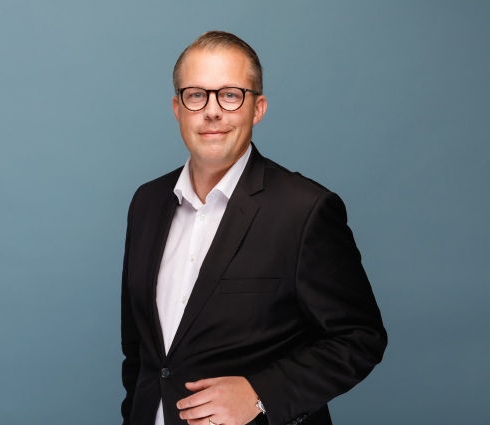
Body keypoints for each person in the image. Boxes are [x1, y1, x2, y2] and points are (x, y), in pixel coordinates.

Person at [121, 30, 387, 425]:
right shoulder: (147, 202)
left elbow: (359, 337)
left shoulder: (305, 210)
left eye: (230, 95)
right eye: (196, 95)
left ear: (257, 108)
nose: (212, 111)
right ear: (178, 108)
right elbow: (139, 350)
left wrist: (262, 394)